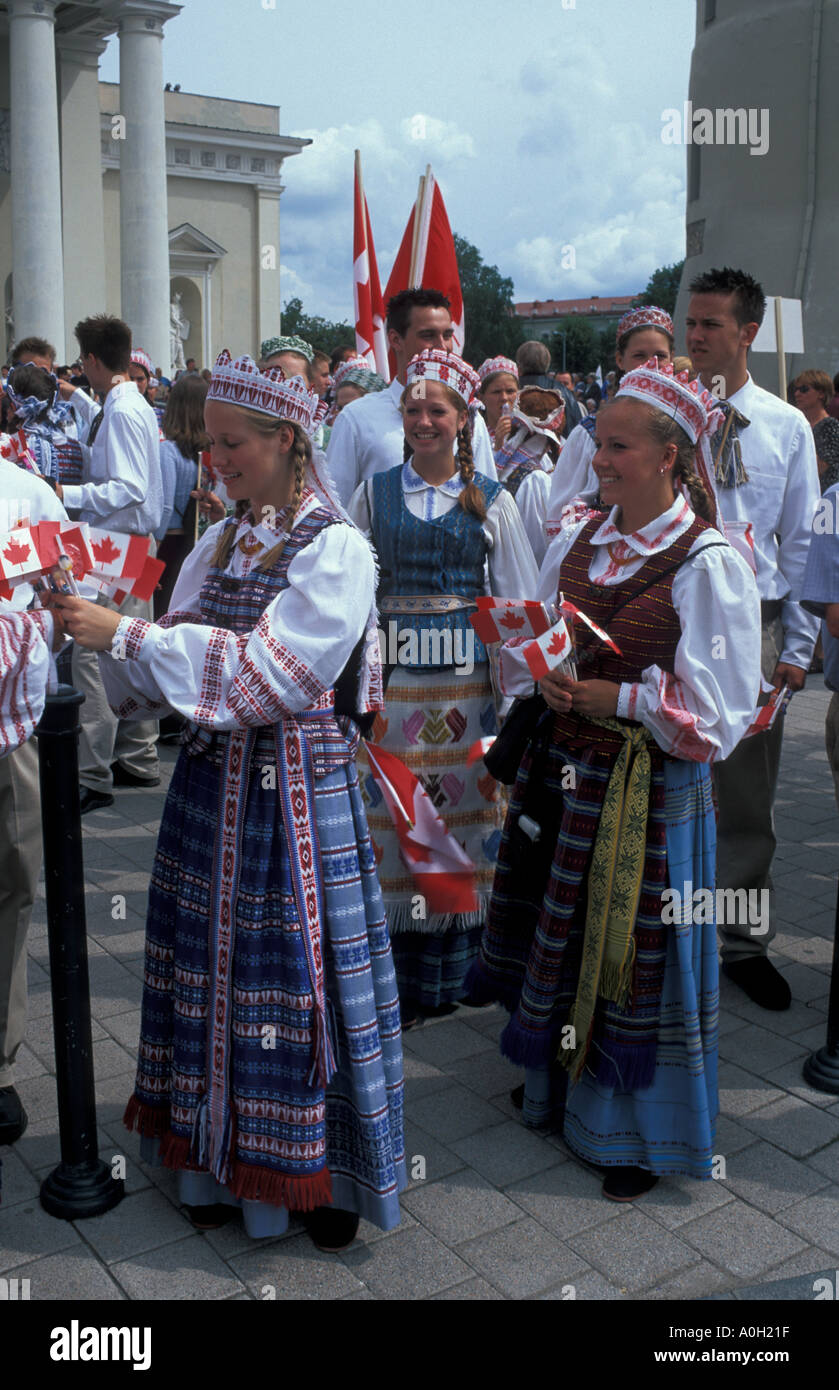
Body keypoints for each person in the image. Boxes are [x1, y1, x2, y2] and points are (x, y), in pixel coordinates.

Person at [48, 351, 405, 1250]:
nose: (214, 461)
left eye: (231, 443)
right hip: (213, 789)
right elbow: (166, 681)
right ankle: (213, 1164)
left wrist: (128, 633)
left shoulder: (334, 548)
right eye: (208, 444)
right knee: (208, 970)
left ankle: (313, 1176)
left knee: (293, 980)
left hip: (293, 797)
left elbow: (265, 680)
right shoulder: (220, 540)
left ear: (288, 441)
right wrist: (105, 629)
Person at [467, 360, 761, 1199]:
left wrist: (619, 696)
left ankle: (633, 1134)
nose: (598, 459)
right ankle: (556, 1086)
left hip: (649, 793)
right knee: (559, 934)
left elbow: (721, 715)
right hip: (566, 774)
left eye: (618, 447)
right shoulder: (576, 535)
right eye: (598, 442)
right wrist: (551, 676)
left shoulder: (707, 562)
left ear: (670, 456)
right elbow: (543, 636)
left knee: (634, 953)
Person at [348, 348, 538, 1027]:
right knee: (395, 822)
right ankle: (396, 978)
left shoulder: (492, 499)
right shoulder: (371, 494)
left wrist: (517, 702)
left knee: (462, 827)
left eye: (437, 409)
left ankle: (459, 973)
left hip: (466, 691)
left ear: (462, 419)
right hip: (394, 692)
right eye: (412, 409)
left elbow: (514, 604)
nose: (423, 420)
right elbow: (349, 593)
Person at [685, 267, 820, 1009]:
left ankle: (738, 940)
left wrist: (795, 650)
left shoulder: (782, 424)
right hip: (676, 618)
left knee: (744, 791)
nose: (695, 336)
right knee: (667, 778)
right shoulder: (667, 415)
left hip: (753, 623)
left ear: (747, 332)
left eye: (710, 324)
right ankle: (664, 932)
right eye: (691, 323)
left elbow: (797, 541)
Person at [59, 314, 164, 812]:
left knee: (93, 653)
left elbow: (128, 488)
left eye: (84, 360)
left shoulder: (122, 410)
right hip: (132, 541)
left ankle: (93, 772)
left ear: (94, 360)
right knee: (131, 644)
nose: (83, 369)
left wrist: (67, 490)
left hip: (114, 542)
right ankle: (139, 757)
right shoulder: (130, 403)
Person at [0, 456, 68, 1146]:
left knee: (11, 884)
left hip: (7, 732)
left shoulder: (28, 496)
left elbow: (63, 597)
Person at [327, 288, 498, 506]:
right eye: (428, 335)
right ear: (395, 340)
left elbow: (488, 504)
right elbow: (335, 509)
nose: (442, 346)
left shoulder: (469, 418)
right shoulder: (356, 418)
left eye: (447, 335)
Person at [546, 306, 675, 536]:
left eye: (660, 356)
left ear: (672, 359)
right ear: (619, 360)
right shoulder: (589, 433)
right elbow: (559, 516)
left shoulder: (684, 430)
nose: (651, 365)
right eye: (639, 356)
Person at [154, 372, 209, 617]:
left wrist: (152, 550)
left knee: (162, 610)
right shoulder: (209, 455)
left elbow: (165, 506)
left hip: (169, 541)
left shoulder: (168, 451)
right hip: (197, 541)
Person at [516, 340, 581, 439]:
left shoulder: (511, 390)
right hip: (559, 451)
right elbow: (576, 430)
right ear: (547, 363)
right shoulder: (564, 392)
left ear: (519, 365)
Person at [791, 369, 839, 493]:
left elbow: (819, 468)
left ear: (821, 394)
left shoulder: (830, 426)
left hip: (823, 498)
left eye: (804, 389)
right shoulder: (798, 425)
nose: (797, 394)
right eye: (795, 389)